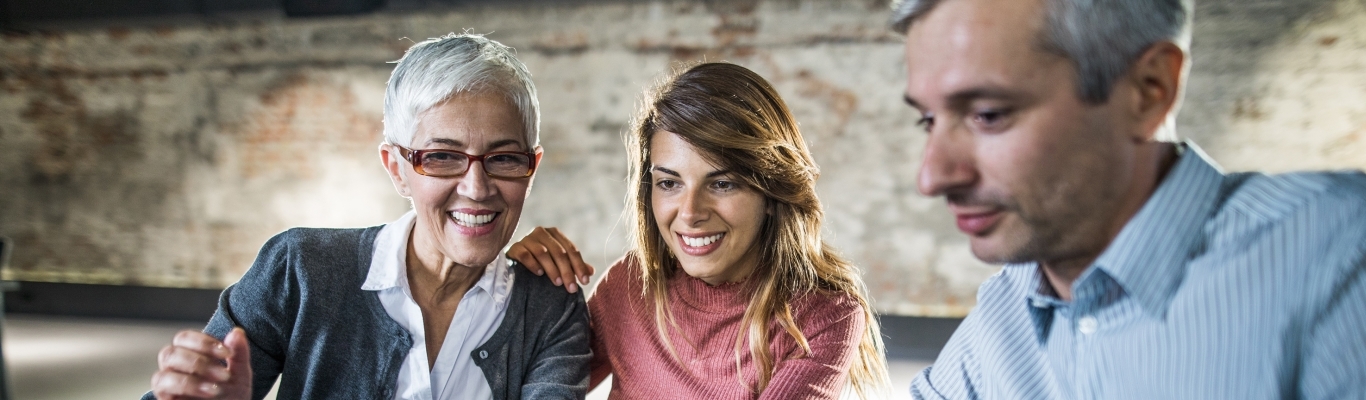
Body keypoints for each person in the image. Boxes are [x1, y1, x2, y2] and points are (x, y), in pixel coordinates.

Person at [889, 0, 1366, 398]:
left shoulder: (1337, 253)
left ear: (1148, 90)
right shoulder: (1008, 307)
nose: (932, 177)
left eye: (988, 115)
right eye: (928, 120)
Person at [145, 33, 592, 400]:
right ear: (396, 169)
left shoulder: (551, 306)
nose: (476, 187)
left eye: (504, 158)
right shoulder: (299, 269)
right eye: (440, 157)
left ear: (530, 168)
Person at [508, 62, 891, 398]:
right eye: (669, 183)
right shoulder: (630, 284)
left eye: (722, 184)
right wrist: (513, 288)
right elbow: (519, 384)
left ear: (772, 192)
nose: (690, 213)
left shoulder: (823, 317)